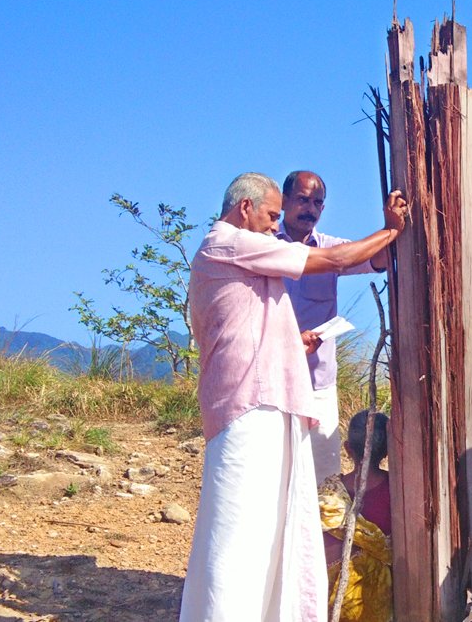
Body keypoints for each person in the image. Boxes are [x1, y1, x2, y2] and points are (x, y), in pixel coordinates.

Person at [180, 172, 407, 622]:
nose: (274, 223)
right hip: (250, 401)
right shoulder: (230, 240)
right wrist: (393, 228)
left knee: (277, 513)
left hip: (282, 395)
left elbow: (251, 319)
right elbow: (336, 259)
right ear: (246, 208)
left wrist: (292, 341)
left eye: (316, 201)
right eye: (272, 214)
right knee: (241, 517)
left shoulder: (242, 244)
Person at [279, 170, 389, 484]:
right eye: (302, 200)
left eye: (317, 202)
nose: (309, 208)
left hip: (318, 384)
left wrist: (394, 227)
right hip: (273, 384)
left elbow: (376, 260)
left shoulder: (330, 247)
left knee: (323, 482)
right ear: (285, 201)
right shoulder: (265, 247)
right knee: (274, 478)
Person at [319, 410, 393, 622]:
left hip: (333, 607)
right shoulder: (396, 491)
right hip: (382, 606)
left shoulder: (328, 495)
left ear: (347, 449)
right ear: (387, 452)